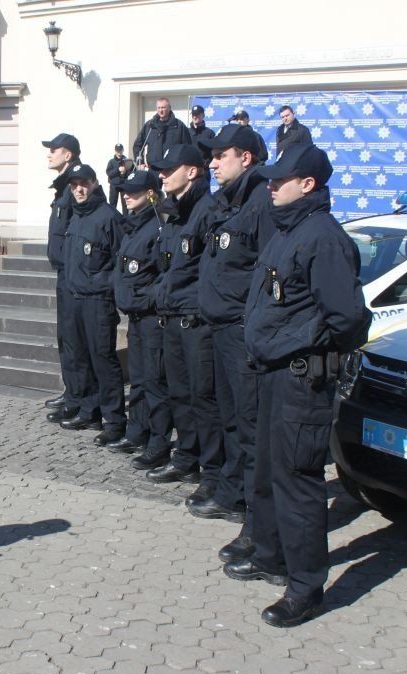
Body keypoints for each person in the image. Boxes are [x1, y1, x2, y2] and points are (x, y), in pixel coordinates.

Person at [227, 144, 371, 628]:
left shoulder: (323, 238)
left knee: (299, 483)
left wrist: (295, 342)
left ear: (307, 184)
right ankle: (271, 556)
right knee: (268, 471)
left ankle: (306, 587)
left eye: (278, 181)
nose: (270, 187)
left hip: (301, 380)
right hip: (271, 374)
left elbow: (348, 319)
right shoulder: (288, 231)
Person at [190, 124, 276, 556]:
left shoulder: (262, 200)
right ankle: (233, 491)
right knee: (229, 418)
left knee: (249, 425)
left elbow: (265, 270)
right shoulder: (226, 200)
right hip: (220, 326)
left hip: (243, 331)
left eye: (220, 155)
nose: (212, 162)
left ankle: (255, 517)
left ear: (245, 157)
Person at [147, 145, 221, 500]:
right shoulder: (173, 212)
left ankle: (213, 469)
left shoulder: (207, 210)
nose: (161, 174)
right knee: (179, 393)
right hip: (173, 316)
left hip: (197, 319)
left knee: (202, 398)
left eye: (169, 169)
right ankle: (187, 456)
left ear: (191, 171)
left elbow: (208, 270)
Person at [107, 169, 172, 466]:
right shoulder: (134, 226)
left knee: (156, 382)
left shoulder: (157, 227)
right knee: (140, 379)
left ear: (150, 193)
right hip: (135, 315)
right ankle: (138, 431)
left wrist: (146, 300)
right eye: (124, 191)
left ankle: (158, 443)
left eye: (133, 191)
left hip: (151, 316)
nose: (126, 195)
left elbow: (164, 276)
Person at [59, 164, 127, 444]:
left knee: (103, 359)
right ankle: (90, 410)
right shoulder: (76, 215)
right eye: (74, 185)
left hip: (98, 300)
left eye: (84, 183)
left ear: (95, 183)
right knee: (81, 358)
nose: (79, 189)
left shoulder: (109, 217)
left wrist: (104, 286)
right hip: (75, 297)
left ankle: (114, 419)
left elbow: (121, 262)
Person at [41, 133, 95, 423]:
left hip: (75, 275)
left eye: (55, 149)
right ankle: (72, 391)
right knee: (66, 338)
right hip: (64, 272)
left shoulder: (77, 185)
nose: (49, 154)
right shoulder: (63, 187)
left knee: (76, 339)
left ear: (69, 154)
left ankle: (80, 397)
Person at [133, 98, 192, 169]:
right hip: (153, 169)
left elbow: (187, 148)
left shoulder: (179, 126)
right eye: (159, 108)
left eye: (163, 108)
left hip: (172, 169)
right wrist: (140, 162)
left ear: (169, 108)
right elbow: (138, 145)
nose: (161, 110)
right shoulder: (150, 126)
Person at [189, 104, 216, 174]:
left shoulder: (210, 133)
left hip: (204, 172)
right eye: (193, 115)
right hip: (189, 171)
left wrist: (206, 164)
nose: (195, 117)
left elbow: (214, 152)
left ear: (203, 115)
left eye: (197, 114)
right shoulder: (186, 132)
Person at [105, 144, 132, 214]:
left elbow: (131, 173)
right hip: (114, 185)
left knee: (125, 204)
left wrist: (125, 171)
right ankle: (113, 219)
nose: (119, 152)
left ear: (123, 150)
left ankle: (126, 219)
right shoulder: (111, 161)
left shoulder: (127, 161)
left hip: (124, 184)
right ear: (115, 151)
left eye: (120, 150)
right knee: (113, 203)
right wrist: (118, 169)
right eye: (117, 150)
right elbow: (109, 173)